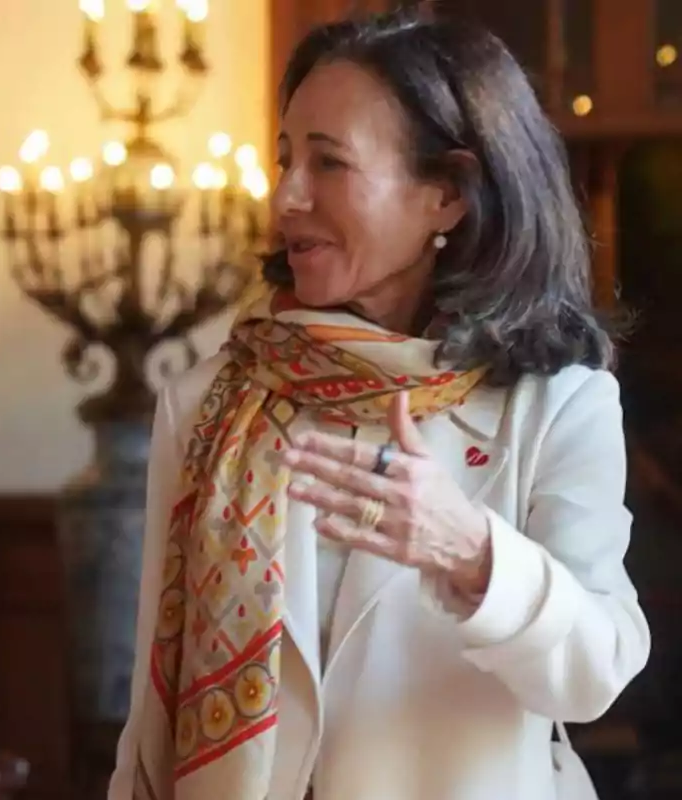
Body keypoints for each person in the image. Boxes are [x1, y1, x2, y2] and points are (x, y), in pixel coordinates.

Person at [108, 9, 650, 800]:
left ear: (448, 196)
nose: (288, 194)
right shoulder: (206, 400)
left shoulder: (559, 401)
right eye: (285, 157)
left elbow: (595, 672)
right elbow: (147, 708)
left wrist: (471, 552)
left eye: (328, 164)